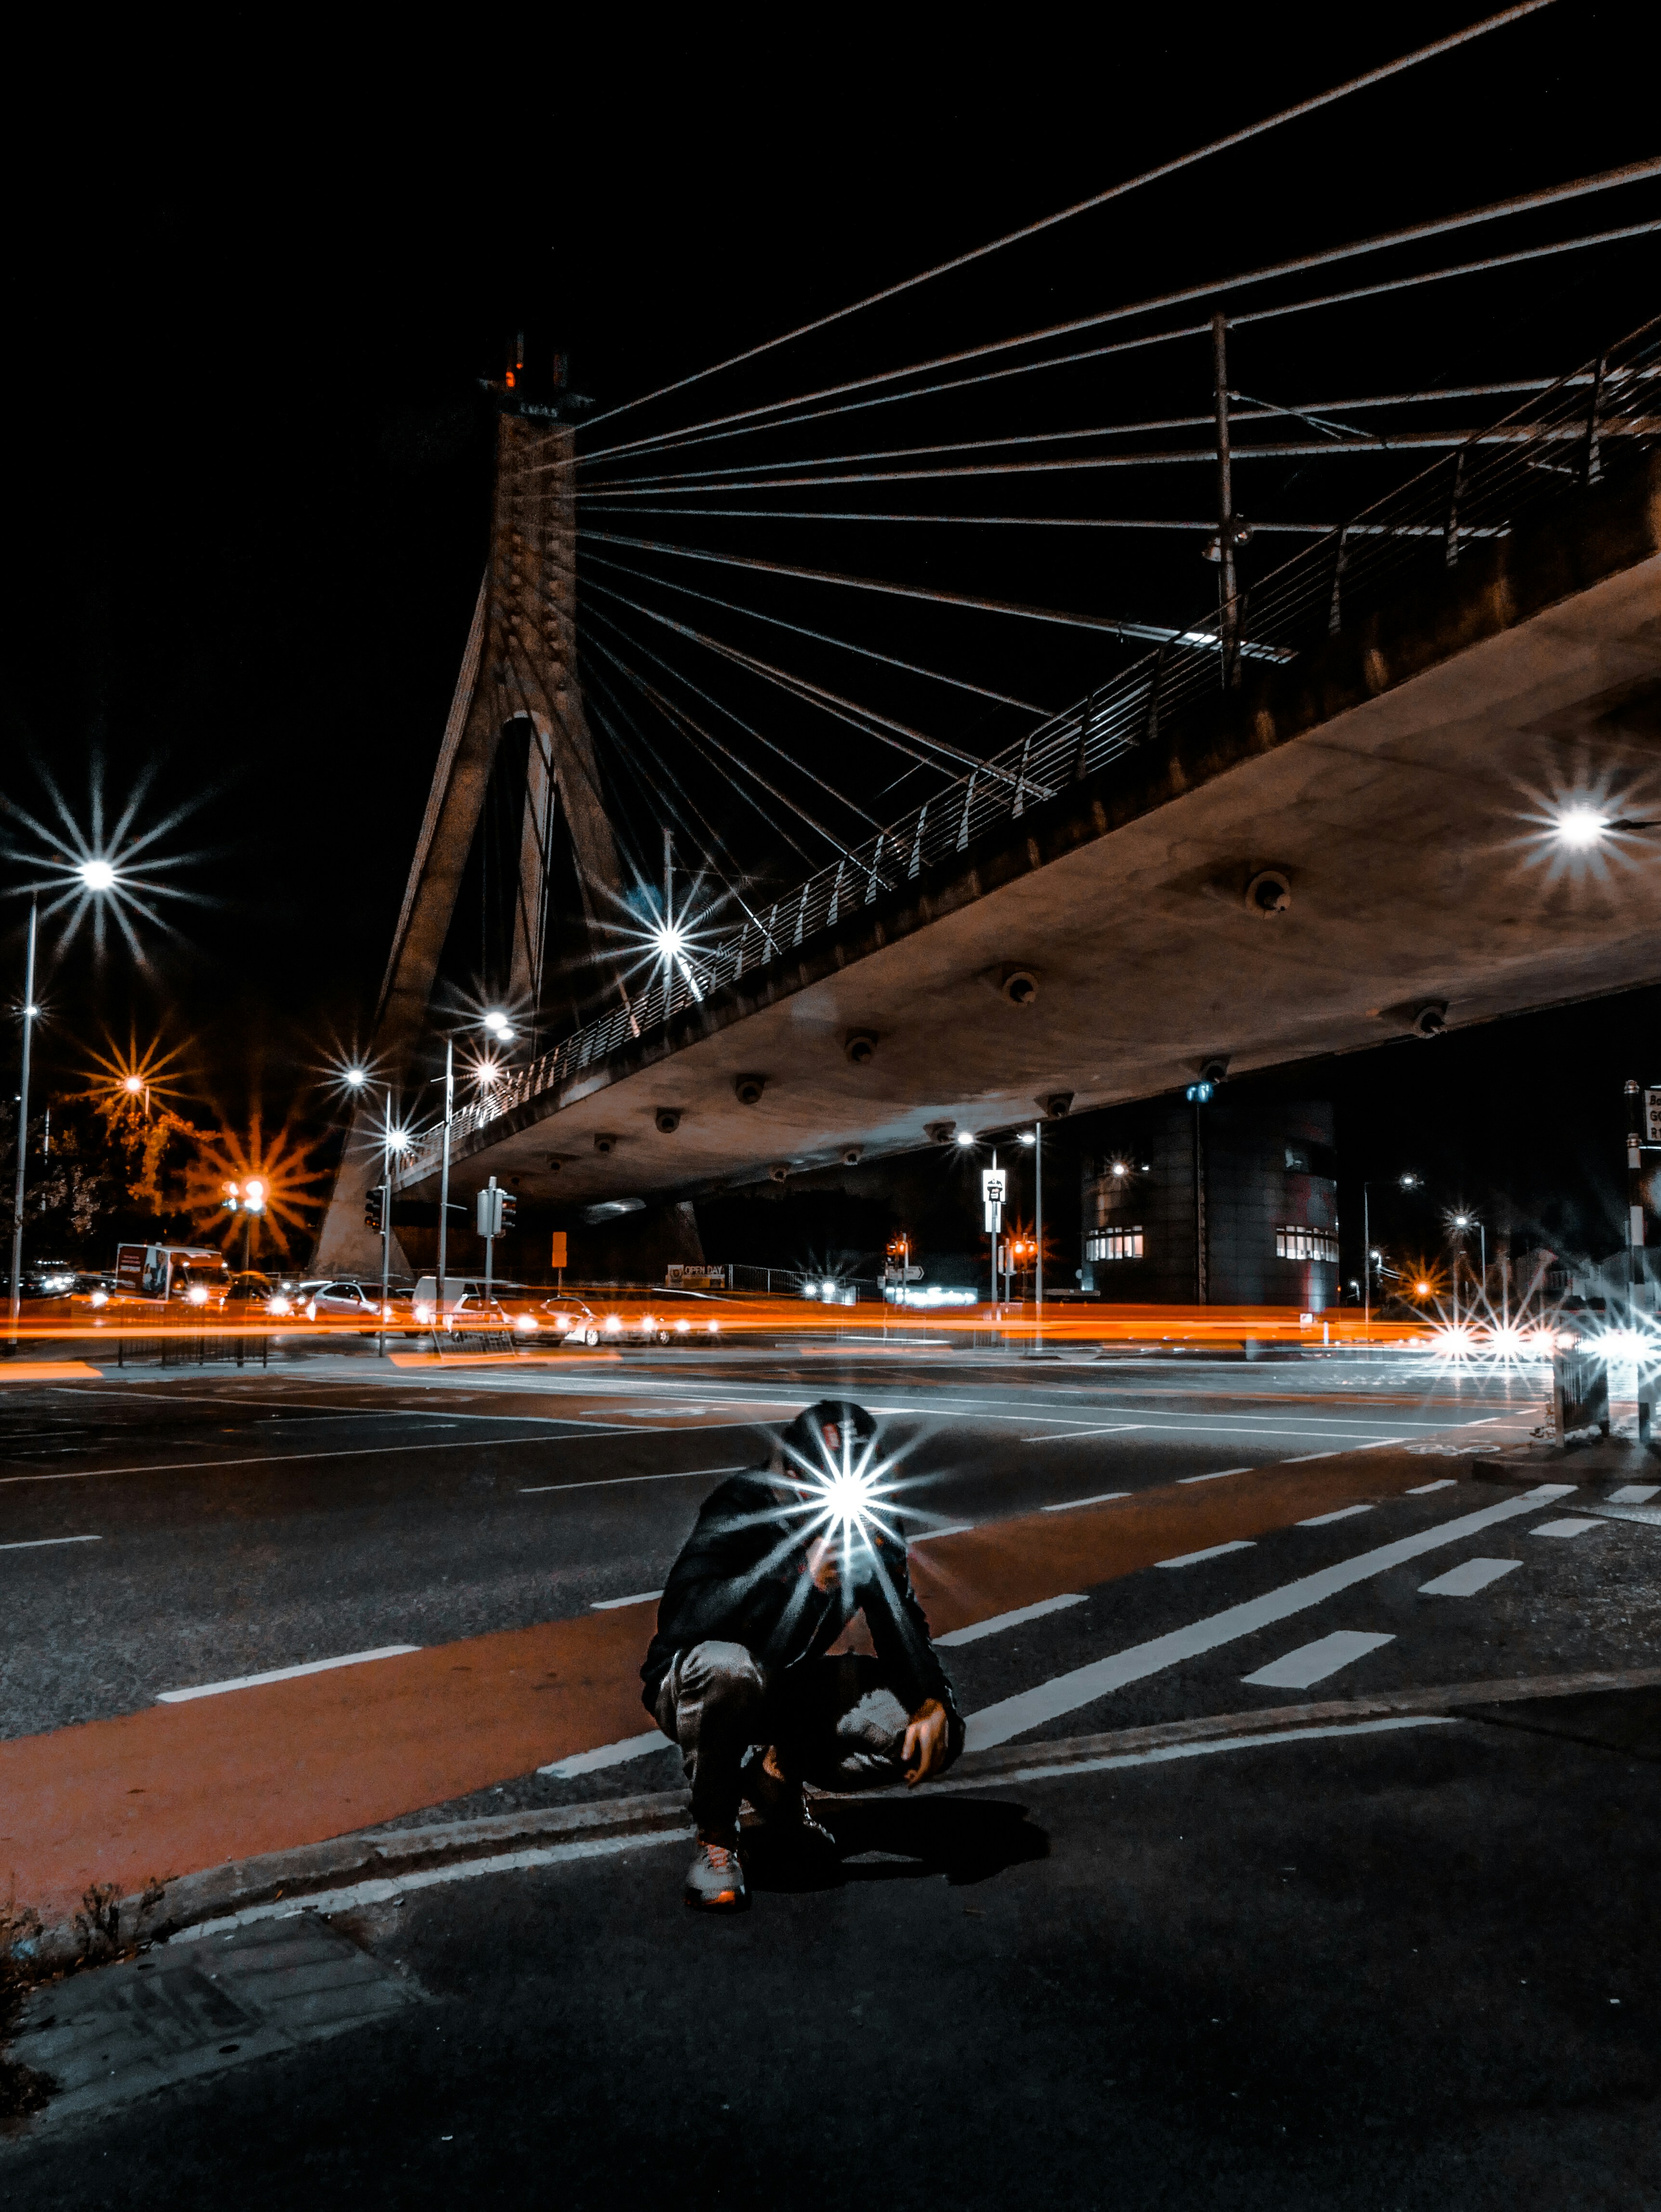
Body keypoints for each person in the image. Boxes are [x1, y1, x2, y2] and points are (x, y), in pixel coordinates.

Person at [642, 1398, 964, 1911]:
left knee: (927, 1732)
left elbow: (897, 1616)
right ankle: (717, 1839)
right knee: (730, 1667)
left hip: (785, 1683)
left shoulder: (869, 1514)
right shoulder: (743, 1502)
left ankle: (774, 1775)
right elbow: (683, 1616)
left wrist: (933, 1699)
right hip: (698, 1685)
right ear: (795, 1470)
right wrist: (797, 1578)